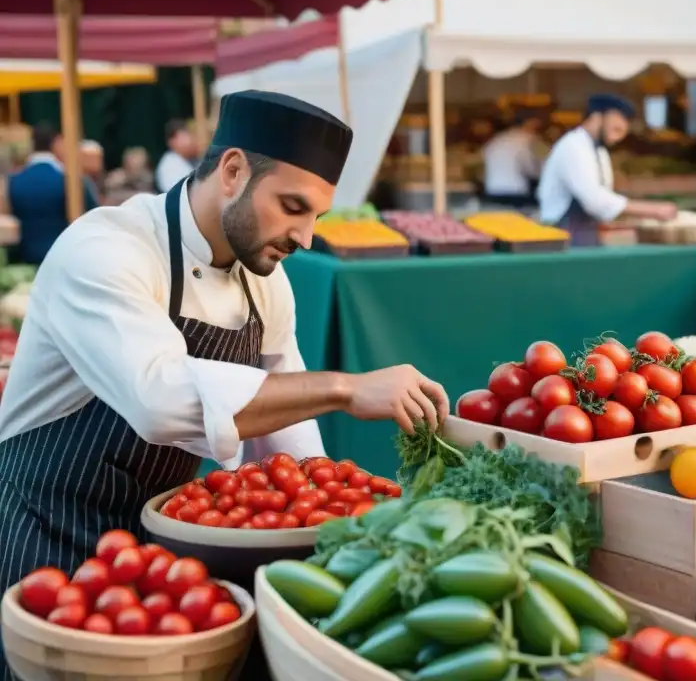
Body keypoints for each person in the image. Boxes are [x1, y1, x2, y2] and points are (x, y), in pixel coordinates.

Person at [0, 91, 448, 678]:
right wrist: (346, 387)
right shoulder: (105, 249)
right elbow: (160, 399)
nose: (306, 237)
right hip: (48, 525)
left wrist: (339, 530)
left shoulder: (267, 284)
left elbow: (291, 441)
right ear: (233, 170)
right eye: (293, 207)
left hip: (162, 551)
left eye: (316, 217)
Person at [536, 94, 677, 246]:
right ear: (597, 117)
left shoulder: (599, 151)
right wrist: (653, 211)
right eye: (616, 130)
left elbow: (605, 195)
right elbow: (594, 199)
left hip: (585, 234)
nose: (617, 139)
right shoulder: (573, 147)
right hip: (562, 236)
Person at [6, 123, 100, 265]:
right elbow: (93, 216)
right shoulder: (70, 180)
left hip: (26, 259)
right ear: (56, 143)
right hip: (65, 259)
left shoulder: (13, 181)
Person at [481, 109, 544, 207]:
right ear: (529, 123)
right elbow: (530, 169)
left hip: (492, 190)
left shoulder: (497, 139)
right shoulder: (528, 139)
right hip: (517, 193)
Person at [155, 118, 199, 192]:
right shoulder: (170, 165)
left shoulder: (193, 160)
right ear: (172, 141)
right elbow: (183, 195)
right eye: (186, 136)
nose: (192, 140)